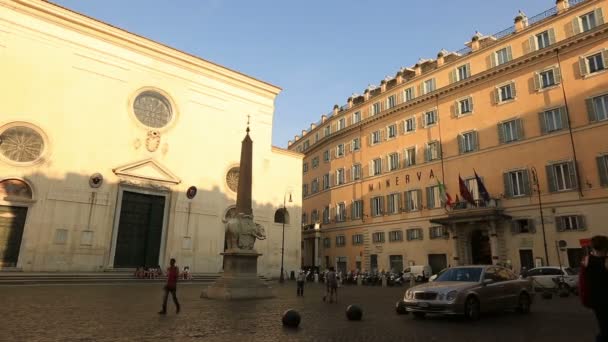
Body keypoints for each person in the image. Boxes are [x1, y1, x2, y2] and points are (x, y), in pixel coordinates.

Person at [580, 235, 608, 342]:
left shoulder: (586, 261)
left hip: (595, 300)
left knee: (603, 325)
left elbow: (583, 281)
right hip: (605, 299)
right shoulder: (606, 262)